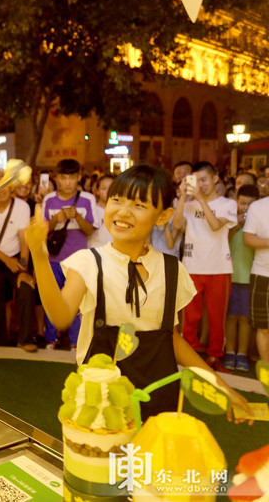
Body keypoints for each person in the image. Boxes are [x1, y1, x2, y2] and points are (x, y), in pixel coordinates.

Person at [26, 164, 251, 420]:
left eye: (139, 205)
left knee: (153, 460)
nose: (123, 211)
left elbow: (171, 338)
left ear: (163, 216)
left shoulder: (171, 269)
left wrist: (220, 386)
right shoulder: (88, 261)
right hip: (101, 403)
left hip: (160, 396)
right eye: (117, 199)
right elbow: (60, 315)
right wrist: (40, 258)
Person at [173, 161, 238, 367]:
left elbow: (215, 225)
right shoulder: (188, 204)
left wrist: (200, 199)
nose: (200, 184)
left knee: (217, 316)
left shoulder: (228, 204)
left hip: (219, 268)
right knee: (190, 317)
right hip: (192, 267)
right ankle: (189, 353)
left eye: (204, 179)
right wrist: (184, 196)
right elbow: (176, 225)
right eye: (195, 180)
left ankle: (215, 355)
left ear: (215, 178)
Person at [42, 159, 96, 349]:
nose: (67, 182)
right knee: (52, 300)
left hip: (79, 261)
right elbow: (43, 230)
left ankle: (76, 343)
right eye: (63, 178)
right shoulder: (48, 200)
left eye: (71, 178)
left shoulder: (88, 199)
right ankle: (50, 339)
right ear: (56, 178)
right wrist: (56, 219)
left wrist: (77, 217)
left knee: (78, 303)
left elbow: (90, 230)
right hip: (54, 259)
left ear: (78, 178)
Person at [0, 172, 36, 350]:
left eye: (5, 185)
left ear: (11, 188)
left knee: (26, 290)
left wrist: (23, 267)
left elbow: (24, 238)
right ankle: (0, 342)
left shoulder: (21, 207)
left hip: (17, 258)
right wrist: (6, 260)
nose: (1, 189)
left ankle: (24, 339)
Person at [224, 184, 260, 371]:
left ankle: (242, 354)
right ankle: (230, 351)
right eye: (243, 203)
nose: (245, 208)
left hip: (249, 276)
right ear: (236, 201)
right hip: (229, 274)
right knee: (230, 316)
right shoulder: (231, 219)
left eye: (250, 205)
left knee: (245, 318)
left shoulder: (260, 220)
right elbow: (223, 241)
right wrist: (236, 226)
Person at [243, 188, 269, 365]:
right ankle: (267, 370)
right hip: (262, 273)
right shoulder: (258, 207)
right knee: (264, 327)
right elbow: (248, 239)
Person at [87, 174, 114, 249]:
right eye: (104, 188)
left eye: (112, 188)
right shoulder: (91, 209)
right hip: (95, 251)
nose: (108, 191)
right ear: (97, 191)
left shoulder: (121, 211)